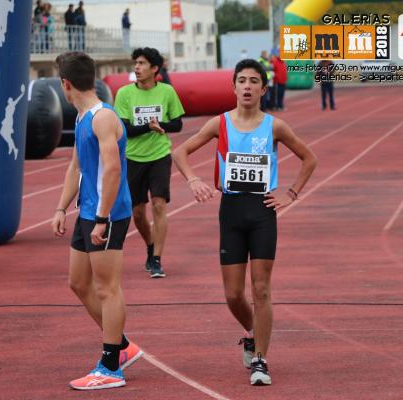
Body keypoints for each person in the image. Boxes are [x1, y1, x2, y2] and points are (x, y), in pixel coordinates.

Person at [172, 59, 317, 386]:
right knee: (234, 294)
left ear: (264, 89)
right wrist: (194, 181)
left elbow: (310, 158)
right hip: (232, 210)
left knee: (261, 288)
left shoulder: (275, 126)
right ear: (234, 87)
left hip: (263, 210)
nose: (248, 86)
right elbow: (180, 153)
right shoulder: (219, 124)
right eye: (242, 80)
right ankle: (253, 333)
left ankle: (261, 360)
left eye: (254, 81)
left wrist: (291, 193)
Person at [52, 52, 143, 390]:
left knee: (107, 288)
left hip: (108, 213)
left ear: (65, 84)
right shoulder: (81, 118)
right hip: (88, 211)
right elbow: (76, 167)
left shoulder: (103, 118)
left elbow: (114, 169)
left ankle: (110, 366)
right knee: (78, 282)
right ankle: (121, 345)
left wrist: (103, 218)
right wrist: (62, 207)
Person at [114, 47, 185, 278]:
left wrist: (161, 126)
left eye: (142, 63)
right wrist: (149, 126)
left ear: (155, 68)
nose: (137, 67)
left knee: (158, 204)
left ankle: (156, 258)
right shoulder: (124, 94)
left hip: (159, 156)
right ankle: (150, 244)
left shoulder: (167, 92)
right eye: (135, 63)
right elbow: (125, 129)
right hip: (133, 157)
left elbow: (178, 124)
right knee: (137, 212)